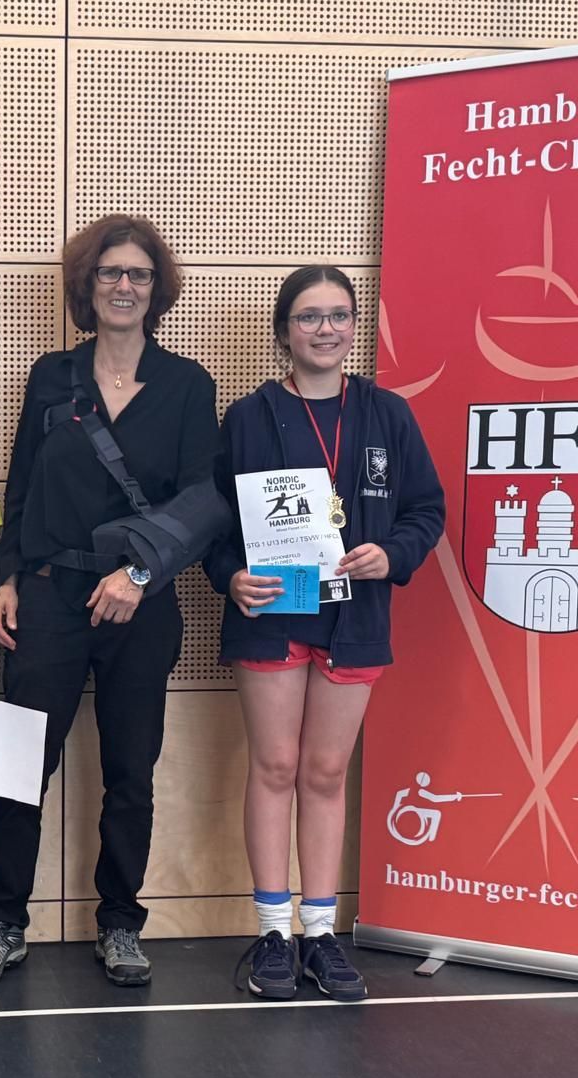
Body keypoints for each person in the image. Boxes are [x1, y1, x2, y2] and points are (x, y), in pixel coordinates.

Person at [0, 214, 220, 990]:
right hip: (50, 595)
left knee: (130, 771)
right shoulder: (51, 376)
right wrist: (8, 578)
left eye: (138, 273)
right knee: (17, 768)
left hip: (142, 601)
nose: (124, 286)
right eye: (111, 272)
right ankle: (2, 922)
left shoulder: (188, 384)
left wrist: (136, 574)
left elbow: (203, 501)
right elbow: (22, 485)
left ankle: (120, 923)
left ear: (156, 289)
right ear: (88, 284)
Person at [207, 265, 444, 1002]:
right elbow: (212, 522)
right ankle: (273, 932)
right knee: (275, 766)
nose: (326, 329)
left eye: (339, 315)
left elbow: (426, 510)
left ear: (354, 328)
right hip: (274, 611)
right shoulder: (248, 418)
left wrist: (392, 554)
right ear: (284, 331)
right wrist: (230, 576)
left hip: (355, 617)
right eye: (309, 316)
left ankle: (319, 933)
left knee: (326, 773)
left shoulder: (387, 414)